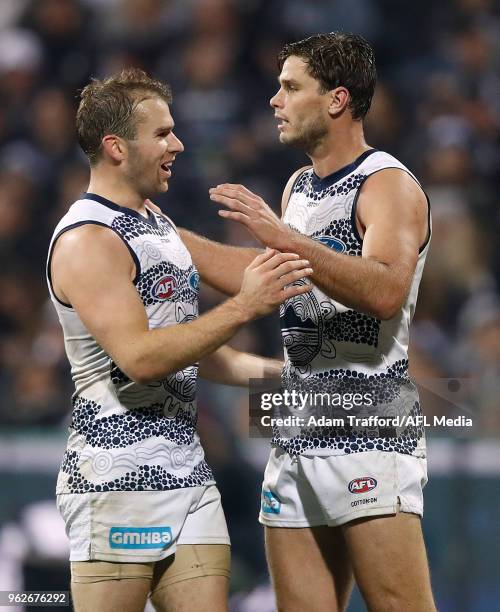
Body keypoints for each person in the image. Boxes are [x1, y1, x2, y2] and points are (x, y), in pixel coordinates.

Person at [180, 33, 436, 612]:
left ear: (337, 100)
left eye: (291, 87)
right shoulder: (299, 186)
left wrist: (286, 238)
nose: (275, 100)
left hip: (369, 434)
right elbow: (264, 269)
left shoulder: (385, 183)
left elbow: (387, 290)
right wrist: (163, 235)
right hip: (296, 432)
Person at [46, 68, 313, 612]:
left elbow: (187, 348)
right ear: (116, 147)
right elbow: (141, 358)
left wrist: (283, 382)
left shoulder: (154, 222)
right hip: (116, 481)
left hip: (188, 476)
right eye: (163, 134)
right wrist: (244, 305)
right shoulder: (87, 240)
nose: (179, 144)